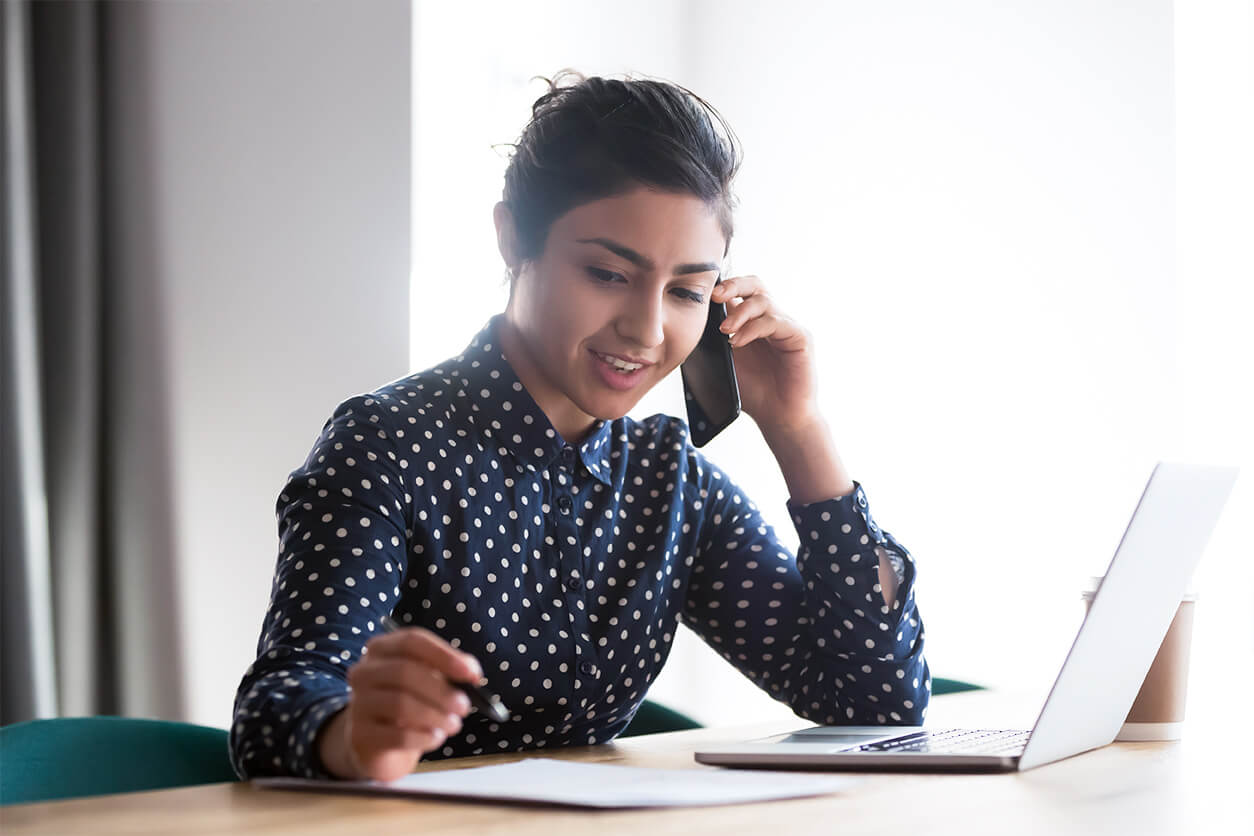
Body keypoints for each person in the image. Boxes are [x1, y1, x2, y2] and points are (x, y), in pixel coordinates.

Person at [230, 72, 929, 781]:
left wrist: (797, 426)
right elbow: (276, 708)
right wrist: (353, 737)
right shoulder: (387, 444)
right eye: (606, 273)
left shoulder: (667, 480)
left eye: (687, 291)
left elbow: (876, 702)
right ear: (512, 239)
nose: (648, 329)